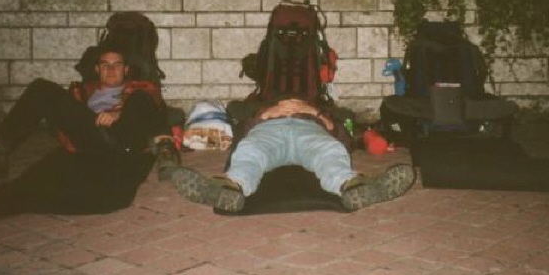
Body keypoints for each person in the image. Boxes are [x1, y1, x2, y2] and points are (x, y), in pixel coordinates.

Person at [170, 96, 416, 212]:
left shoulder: (321, 107)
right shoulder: (258, 105)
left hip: (308, 131)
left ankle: (353, 187)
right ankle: (228, 189)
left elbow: (341, 136)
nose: (290, 101)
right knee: (250, 151)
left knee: (329, 150)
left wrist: (312, 111)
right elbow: (240, 132)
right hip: (269, 131)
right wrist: (268, 113)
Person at [0, 42, 165, 178]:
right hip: (91, 133)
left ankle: (117, 156)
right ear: (97, 69)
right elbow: (67, 120)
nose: (111, 69)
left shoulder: (139, 88)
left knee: (140, 99)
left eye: (117, 65)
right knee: (41, 88)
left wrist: (119, 113)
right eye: (105, 65)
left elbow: (157, 112)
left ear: (126, 70)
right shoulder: (81, 91)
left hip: (121, 137)